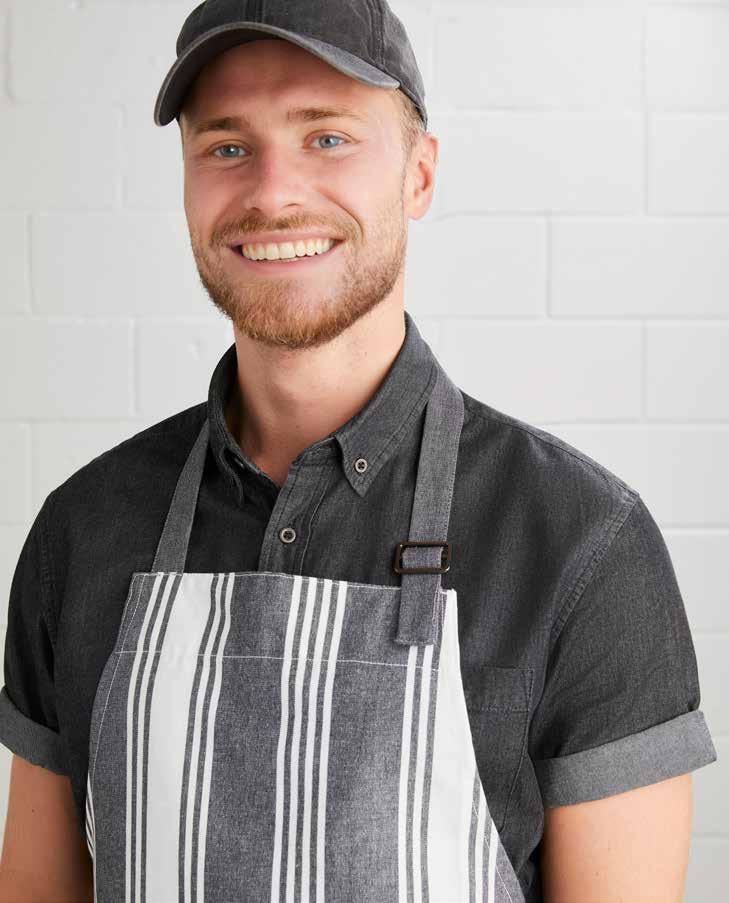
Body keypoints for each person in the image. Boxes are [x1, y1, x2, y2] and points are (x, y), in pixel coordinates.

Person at [0, 1, 718, 901]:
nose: (272, 194)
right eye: (228, 146)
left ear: (418, 175)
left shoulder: (581, 545)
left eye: (328, 138)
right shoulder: (81, 530)